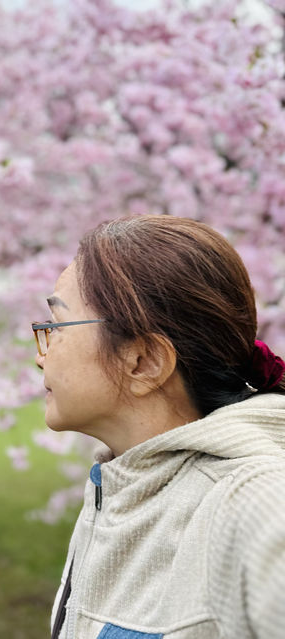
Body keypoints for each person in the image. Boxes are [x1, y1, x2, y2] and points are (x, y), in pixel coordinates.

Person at [32, 215, 285, 639]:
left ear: (144, 361)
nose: (42, 354)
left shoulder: (259, 503)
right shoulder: (114, 489)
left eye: (57, 325)